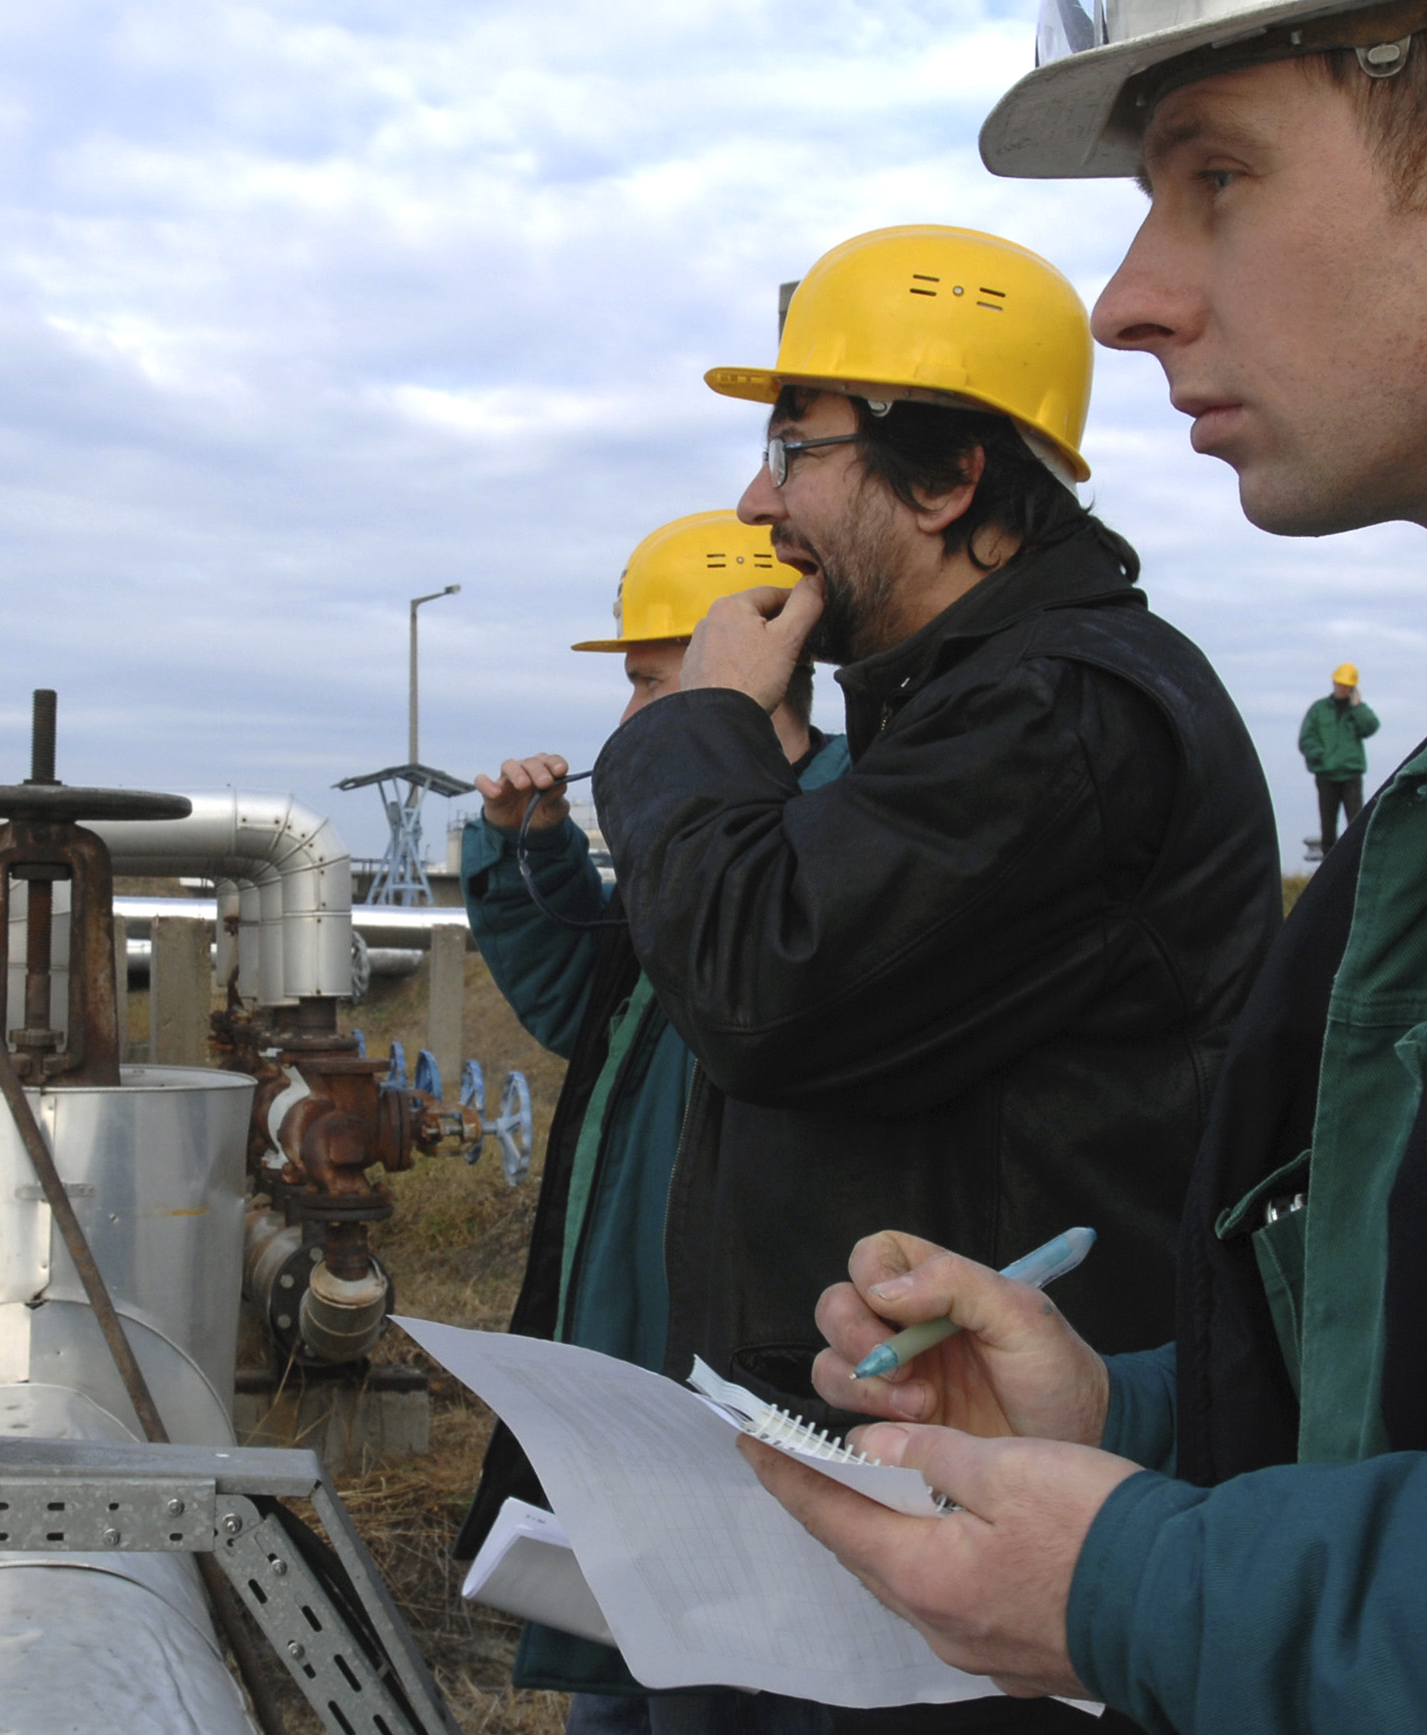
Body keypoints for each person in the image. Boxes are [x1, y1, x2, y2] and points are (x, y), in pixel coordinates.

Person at [745, 10, 1427, 1733]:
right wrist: (1122, 1421)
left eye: (1216, 176)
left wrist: (1154, 1584)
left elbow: (762, 976)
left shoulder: (1088, 710)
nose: (1123, 300)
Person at [586, 225, 1281, 1730]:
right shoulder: (960, 707)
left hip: (982, 1514)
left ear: (948, 475)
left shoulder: (1059, 714)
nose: (757, 502)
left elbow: (757, 983)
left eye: (795, 447)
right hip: (890, 1458)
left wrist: (698, 725)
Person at [453, 514, 846, 1734]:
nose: (627, 718)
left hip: (747, 1384)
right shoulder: (702, 845)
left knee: (728, 1683)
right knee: (627, 1682)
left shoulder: (840, 832)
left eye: (651, 682)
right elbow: (598, 1016)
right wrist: (529, 861)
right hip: (634, 1366)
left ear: (758, 666)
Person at [1298, 663, 1379, 858]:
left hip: (1351, 774)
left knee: (1356, 822)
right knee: (1328, 826)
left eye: (1347, 685)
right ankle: (1328, 864)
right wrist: (1319, 756)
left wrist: (1357, 707)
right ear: (1334, 683)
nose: (1342, 688)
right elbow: (1306, 738)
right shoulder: (1319, 709)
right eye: (1340, 684)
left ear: (1353, 687)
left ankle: (1355, 862)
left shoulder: (1358, 710)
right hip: (1326, 775)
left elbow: (1371, 727)